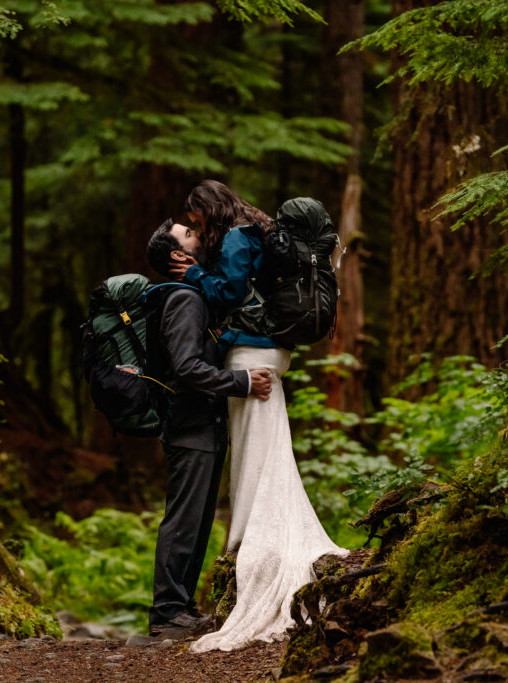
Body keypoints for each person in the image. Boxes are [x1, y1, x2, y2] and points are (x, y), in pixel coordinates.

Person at [169, 180, 348, 652]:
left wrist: (192, 275)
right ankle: (254, 533)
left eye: (195, 218)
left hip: (251, 355)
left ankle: (257, 543)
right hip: (270, 353)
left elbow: (228, 290)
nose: (194, 227)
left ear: (209, 209)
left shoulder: (235, 236)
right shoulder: (261, 231)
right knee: (268, 450)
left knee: (256, 452)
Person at [145, 218, 274, 640]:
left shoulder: (195, 295)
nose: (199, 236)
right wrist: (242, 383)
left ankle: (179, 609)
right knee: (185, 518)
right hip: (191, 424)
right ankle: (166, 612)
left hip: (201, 423)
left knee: (198, 520)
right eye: (190, 234)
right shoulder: (184, 299)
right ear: (179, 255)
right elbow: (186, 368)